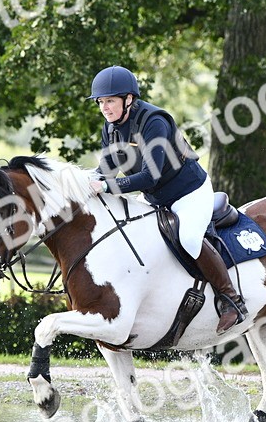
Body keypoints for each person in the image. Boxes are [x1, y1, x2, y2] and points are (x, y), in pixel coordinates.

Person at [87, 65, 246, 333]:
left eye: (110, 101)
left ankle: (231, 299)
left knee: (189, 239)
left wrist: (106, 187)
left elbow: (150, 176)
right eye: (101, 102)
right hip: (155, 197)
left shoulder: (154, 122)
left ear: (129, 99)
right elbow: (106, 170)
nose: (105, 107)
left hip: (188, 192)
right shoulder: (110, 128)